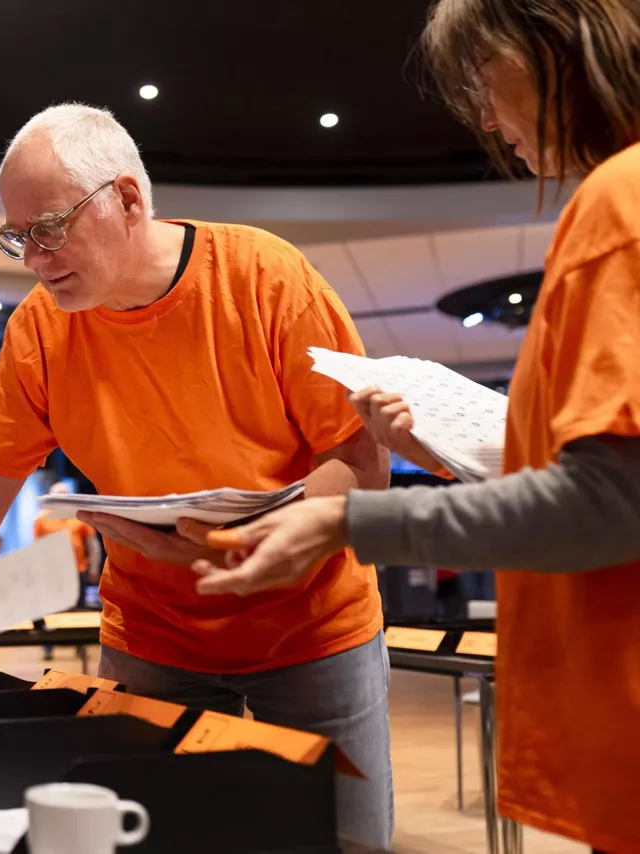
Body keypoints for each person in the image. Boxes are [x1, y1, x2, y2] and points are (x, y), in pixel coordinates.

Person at [0, 104, 393, 847]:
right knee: (152, 837)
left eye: (48, 228)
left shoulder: (266, 277)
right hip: (155, 634)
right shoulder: (38, 330)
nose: (33, 259)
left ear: (127, 199)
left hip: (312, 629)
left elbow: (360, 459)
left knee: (339, 841)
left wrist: (260, 541)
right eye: (18, 237)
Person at [192, 2, 640, 850]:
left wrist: (345, 518)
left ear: (546, 42)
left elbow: (610, 502)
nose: (485, 119)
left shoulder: (620, 201)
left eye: (483, 79)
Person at [34, 482, 104, 604]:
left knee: (78, 607)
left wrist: (94, 569)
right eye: (58, 494)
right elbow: (37, 547)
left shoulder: (79, 517)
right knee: (55, 606)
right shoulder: (41, 520)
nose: (61, 498)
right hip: (52, 572)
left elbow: (93, 545)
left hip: (78, 571)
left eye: (64, 494)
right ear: (51, 497)